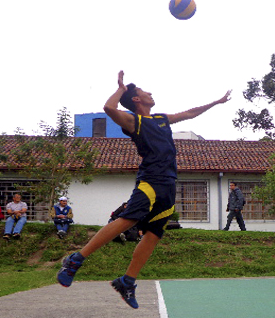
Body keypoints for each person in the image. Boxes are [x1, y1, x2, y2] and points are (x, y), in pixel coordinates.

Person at [57, 70, 231, 309]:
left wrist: (216, 102)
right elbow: (109, 109)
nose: (150, 93)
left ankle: (127, 281)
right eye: (144, 91)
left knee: (154, 234)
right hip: (151, 180)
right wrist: (121, 88)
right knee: (128, 219)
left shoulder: (160, 119)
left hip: (169, 184)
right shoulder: (133, 121)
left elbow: (189, 113)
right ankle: (75, 260)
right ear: (137, 100)